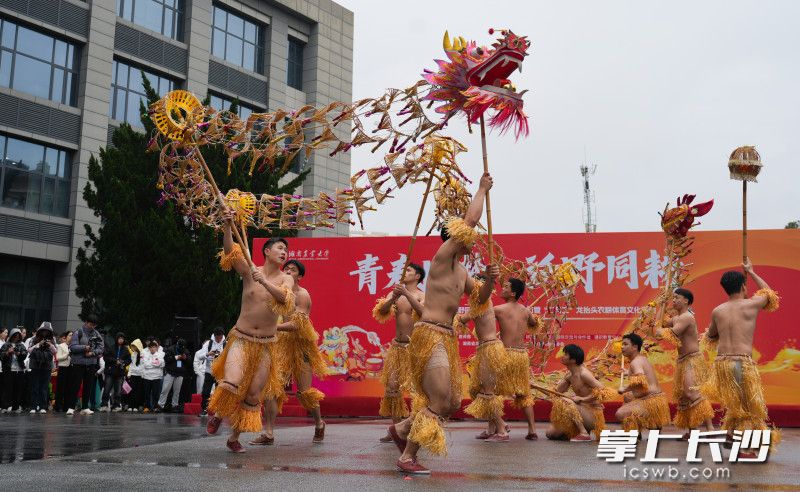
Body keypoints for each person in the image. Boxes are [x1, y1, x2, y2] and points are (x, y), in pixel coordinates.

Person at [389, 173, 498, 474]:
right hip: (430, 334)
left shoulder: (462, 272)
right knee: (438, 399)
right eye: (464, 235)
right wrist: (482, 189)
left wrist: (490, 279)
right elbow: (471, 223)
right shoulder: (442, 257)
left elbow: (481, 299)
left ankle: (401, 429)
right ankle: (407, 455)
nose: (471, 239)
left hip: (446, 338)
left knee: (450, 402)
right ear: (454, 236)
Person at [205, 209, 295, 454]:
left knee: (254, 395)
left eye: (286, 251)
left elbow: (287, 302)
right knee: (232, 381)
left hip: (266, 343)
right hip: (242, 338)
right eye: (279, 248)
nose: (284, 253)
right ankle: (218, 413)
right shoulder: (248, 270)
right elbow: (230, 253)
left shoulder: (286, 279)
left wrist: (264, 281)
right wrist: (226, 227)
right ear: (267, 251)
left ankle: (234, 437)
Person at [700, 259, 781, 455]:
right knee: (750, 407)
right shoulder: (750, 305)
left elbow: (710, 336)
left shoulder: (717, 311)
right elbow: (769, 294)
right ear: (744, 286)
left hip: (721, 365)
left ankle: (730, 433)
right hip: (741, 363)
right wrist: (752, 272)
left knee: (735, 404)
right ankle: (748, 447)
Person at [254, 259, 328, 445]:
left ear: (300, 276)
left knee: (305, 393)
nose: (287, 271)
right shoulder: (280, 293)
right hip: (281, 345)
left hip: (301, 345)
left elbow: (298, 324)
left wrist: (274, 327)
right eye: (285, 268)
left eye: (292, 270)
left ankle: (319, 423)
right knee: (271, 388)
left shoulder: (302, 295)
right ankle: (269, 433)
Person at [373, 263, 425, 443]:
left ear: (418, 276)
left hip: (414, 350)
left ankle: (414, 429)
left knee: (416, 391)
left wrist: (406, 294)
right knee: (392, 388)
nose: (405, 272)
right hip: (397, 348)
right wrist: (392, 298)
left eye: (409, 270)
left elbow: (423, 313)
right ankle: (396, 429)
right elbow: (381, 311)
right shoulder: (394, 293)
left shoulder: (421, 295)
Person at [656, 288, 714, 437]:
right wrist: (661, 305)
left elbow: (671, 333)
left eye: (677, 297)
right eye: (673, 298)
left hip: (692, 359)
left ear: (686, 301)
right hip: (682, 360)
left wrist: (658, 330)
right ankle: (692, 430)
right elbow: (661, 323)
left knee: (691, 392)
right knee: (683, 395)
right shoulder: (677, 317)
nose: (673, 300)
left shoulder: (687, 317)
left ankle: (710, 428)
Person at [494, 278, 541, 440]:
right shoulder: (526, 311)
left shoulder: (498, 309)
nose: (502, 288)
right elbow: (534, 323)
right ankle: (532, 429)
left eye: (506, 286)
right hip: (521, 355)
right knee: (522, 393)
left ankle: (500, 427)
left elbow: (480, 317)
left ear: (513, 293)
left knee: (493, 392)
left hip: (506, 354)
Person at [461, 293, 510, 442]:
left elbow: (462, 319)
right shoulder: (483, 301)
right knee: (482, 389)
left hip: (489, 348)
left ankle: (502, 430)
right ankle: (492, 428)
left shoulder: (480, 301)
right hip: (486, 348)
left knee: (487, 392)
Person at [545, 344, 615, 441]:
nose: (562, 356)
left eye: (565, 354)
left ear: (573, 360)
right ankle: (575, 430)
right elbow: (556, 393)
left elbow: (603, 391)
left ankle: (584, 433)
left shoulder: (584, 374)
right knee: (550, 434)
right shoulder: (569, 375)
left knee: (566, 400)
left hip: (593, 415)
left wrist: (583, 399)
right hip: (580, 413)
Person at [615, 333, 671, 432]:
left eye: (625, 344)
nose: (622, 347)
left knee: (620, 414)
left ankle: (650, 424)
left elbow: (640, 380)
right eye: (622, 344)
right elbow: (642, 375)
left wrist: (625, 388)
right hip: (657, 400)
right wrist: (628, 372)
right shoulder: (641, 358)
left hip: (651, 401)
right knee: (628, 397)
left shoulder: (635, 362)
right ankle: (647, 428)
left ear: (635, 347)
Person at [67, 314, 104, 415]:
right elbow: (72, 347)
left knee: (88, 386)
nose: (92, 327)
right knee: (75, 385)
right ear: (86, 322)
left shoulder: (97, 334)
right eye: (91, 324)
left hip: (91, 363)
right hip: (78, 363)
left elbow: (101, 348)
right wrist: (85, 348)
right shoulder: (78, 332)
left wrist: (92, 353)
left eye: (94, 325)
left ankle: (85, 407)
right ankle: (71, 407)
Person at [28, 322, 57, 413]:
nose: (45, 332)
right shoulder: (34, 339)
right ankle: (33, 406)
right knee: (35, 386)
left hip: (47, 365)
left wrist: (50, 345)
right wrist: (38, 344)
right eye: (43, 330)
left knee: (44, 387)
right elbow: (29, 350)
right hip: (35, 365)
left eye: (47, 331)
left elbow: (55, 351)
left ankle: (43, 406)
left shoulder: (52, 339)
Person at [197, 328, 226, 416]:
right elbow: (199, 356)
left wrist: (221, 356)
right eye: (217, 338)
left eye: (220, 338)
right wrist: (208, 354)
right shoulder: (208, 343)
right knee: (205, 391)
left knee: (219, 392)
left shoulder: (226, 344)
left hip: (220, 372)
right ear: (214, 335)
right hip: (209, 371)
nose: (218, 339)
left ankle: (218, 410)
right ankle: (204, 409)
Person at [100, 332, 131, 412]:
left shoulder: (126, 349)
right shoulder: (111, 347)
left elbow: (129, 359)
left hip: (120, 373)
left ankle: (116, 406)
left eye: (122, 339)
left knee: (118, 391)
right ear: (116, 339)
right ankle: (104, 405)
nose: (121, 340)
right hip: (110, 372)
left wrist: (123, 363)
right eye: (119, 338)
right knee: (107, 389)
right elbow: (105, 357)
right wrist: (115, 361)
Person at [157, 338, 190, 412]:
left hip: (180, 373)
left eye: (183, 347)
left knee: (177, 391)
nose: (182, 349)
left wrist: (186, 358)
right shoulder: (170, 349)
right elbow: (166, 359)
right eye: (180, 347)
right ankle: (160, 405)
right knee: (165, 389)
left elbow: (189, 362)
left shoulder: (185, 350)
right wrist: (176, 357)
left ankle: (174, 405)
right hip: (170, 372)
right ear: (177, 344)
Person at [1, 327, 28, 413]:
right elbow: (1, 356)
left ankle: (15, 407)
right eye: (15, 335)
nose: (16, 337)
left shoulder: (21, 345)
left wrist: (18, 353)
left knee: (18, 389)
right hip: (8, 370)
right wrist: (8, 352)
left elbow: (24, 355)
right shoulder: (6, 345)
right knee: (7, 389)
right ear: (11, 335)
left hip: (19, 370)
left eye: (18, 335)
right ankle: (5, 406)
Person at [141, 340, 165, 412]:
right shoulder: (145, 354)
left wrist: (151, 363)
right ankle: (147, 407)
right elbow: (145, 365)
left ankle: (155, 407)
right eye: (151, 347)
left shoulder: (160, 354)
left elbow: (162, 364)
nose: (152, 349)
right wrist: (155, 364)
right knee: (146, 393)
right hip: (147, 377)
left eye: (154, 347)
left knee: (156, 393)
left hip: (156, 377)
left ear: (156, 348)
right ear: (149, 348)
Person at [54, 331, 72, 412]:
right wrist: (67, 354)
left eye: (72, 335)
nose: (71, 337)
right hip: (63, 368)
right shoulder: (61, 346)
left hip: (70, 368)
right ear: (66, 337)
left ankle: (66, 406)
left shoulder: (73, 346)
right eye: (70, 335)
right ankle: (58, 406)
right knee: (60, 388)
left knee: (68, 388)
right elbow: (57, 358)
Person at [126, 339, 145, 412]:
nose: (133, 348)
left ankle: (137, 406)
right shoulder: (133, 354)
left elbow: (144, 364)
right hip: (133, 374)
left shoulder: (143, 354)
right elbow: (131, 364)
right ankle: (131, 405)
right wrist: (129, 373)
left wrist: (143, 374)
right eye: (132, 347)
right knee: (132, 390)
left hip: (140, 375)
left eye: (134, 346)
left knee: (139, 391)